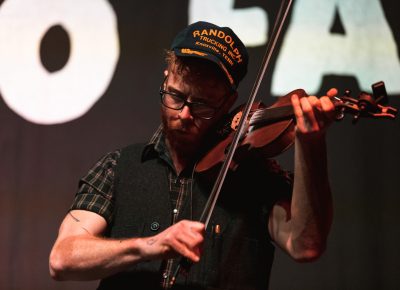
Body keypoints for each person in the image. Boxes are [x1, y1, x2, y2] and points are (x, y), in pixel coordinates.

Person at [49, 21, 336, 290]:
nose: (184, 115)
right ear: (165, 80)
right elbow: (63, 259)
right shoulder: (118, 167)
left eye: (202, 104)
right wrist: (147, 246)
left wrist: (311, 144)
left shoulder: (255, 177)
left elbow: (305, 244)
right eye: (176, 96)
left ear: (229, 102)